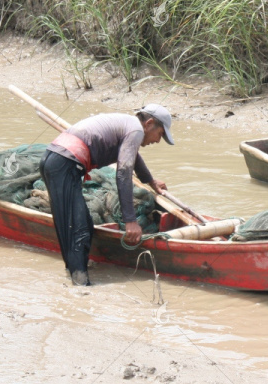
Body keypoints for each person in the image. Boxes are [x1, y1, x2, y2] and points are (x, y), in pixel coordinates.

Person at [39, 105, 173, 286]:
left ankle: (74, 271)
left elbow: (133, 158)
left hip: (55, 160)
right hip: (65, 164)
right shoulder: (135, 130)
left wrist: (150, 181)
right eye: (160, 134)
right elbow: (123, 173)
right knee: (78, 228)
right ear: (149, 124)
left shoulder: (128, 125)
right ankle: (80, 285)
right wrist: (130, 221)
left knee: (75, 223)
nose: (158, 141)